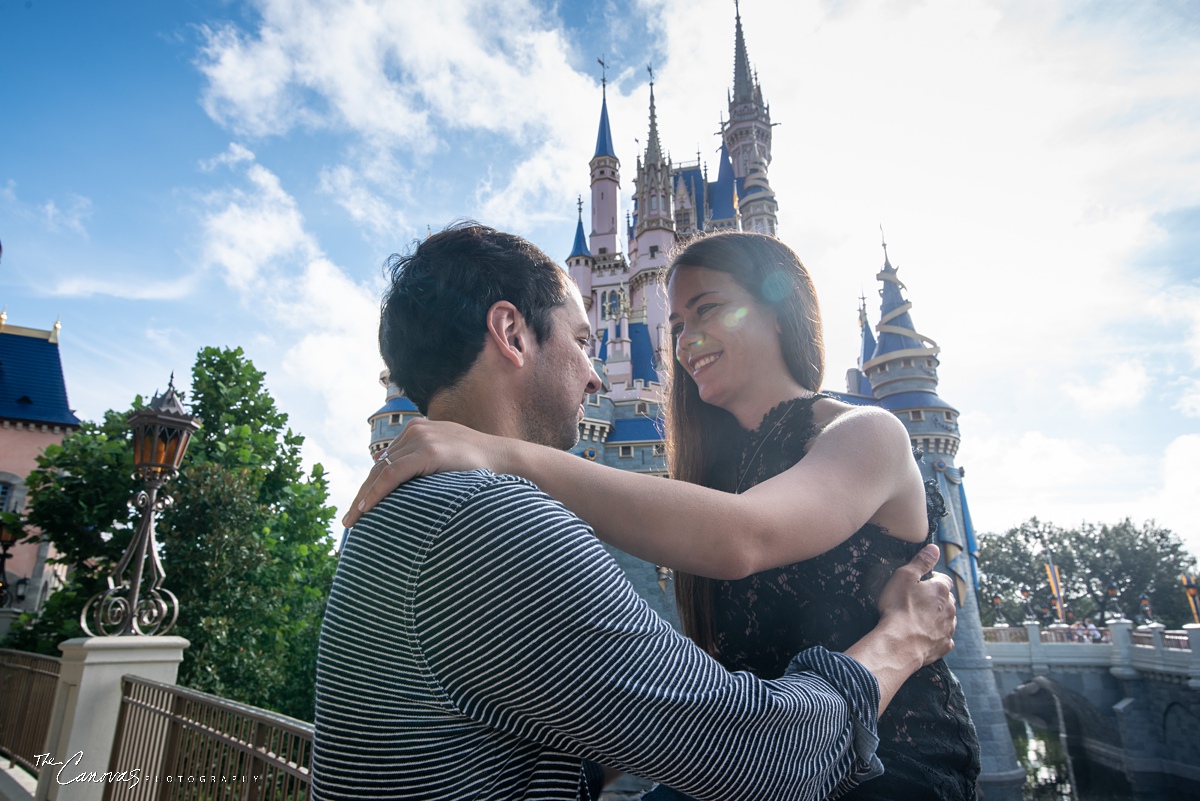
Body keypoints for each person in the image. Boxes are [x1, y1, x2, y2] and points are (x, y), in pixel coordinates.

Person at [314, 223, 958, 801]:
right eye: (581, 340)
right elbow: (768, 755)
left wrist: (499, 453)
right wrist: (902, 640)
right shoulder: (491, 521)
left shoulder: (416, 508)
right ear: (512, 333)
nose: (597, 377)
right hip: (825, 752)